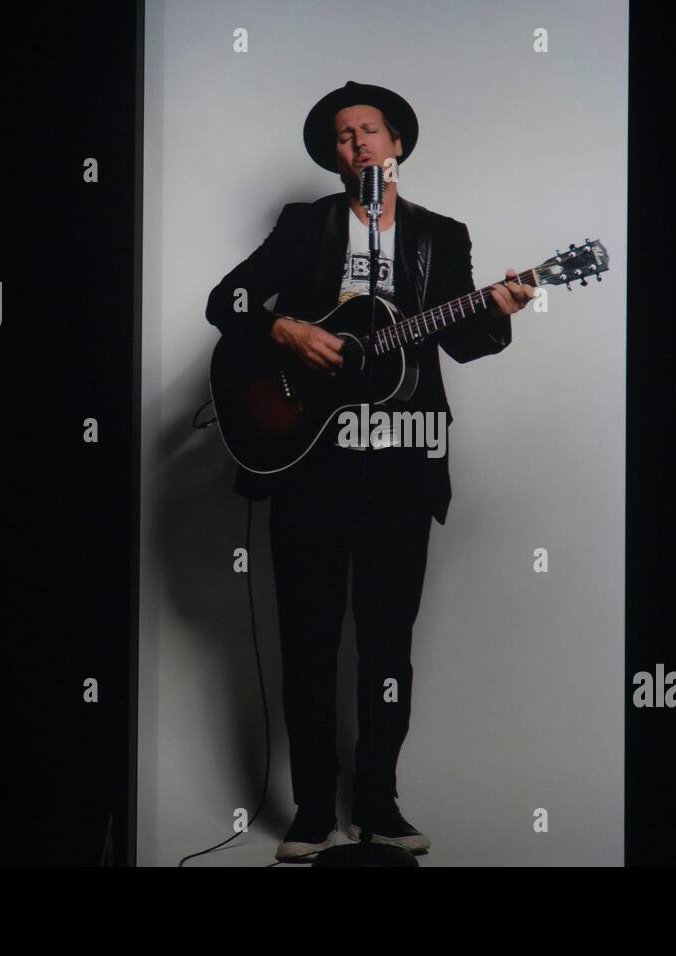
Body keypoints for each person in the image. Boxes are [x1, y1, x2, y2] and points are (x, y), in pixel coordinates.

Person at [205, 81, 536, 861]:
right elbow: (228, 301)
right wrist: (284, 327)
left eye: (370, 131)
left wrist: (500, 313)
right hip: (309, 464)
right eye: (343, 135)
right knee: (310, 640)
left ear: (398, 145)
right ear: (334, 155)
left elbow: (464, 343)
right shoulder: (304, 227)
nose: (358, 143)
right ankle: (314, 810)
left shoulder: (439, 237)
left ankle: (379, 805)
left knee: (388, 645)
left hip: (400, 467)